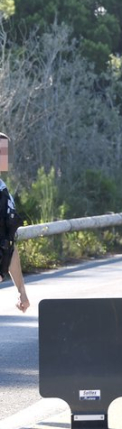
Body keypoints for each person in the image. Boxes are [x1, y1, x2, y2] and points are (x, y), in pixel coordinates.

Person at [0, 133, 28, 313]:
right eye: (2, 151)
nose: (6, 155)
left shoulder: (3, 192)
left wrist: (21, 291)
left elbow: (9, 244)